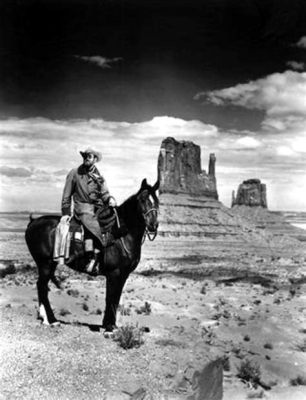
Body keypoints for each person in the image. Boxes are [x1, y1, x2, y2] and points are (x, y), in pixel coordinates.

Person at [61, 147, 116, 273]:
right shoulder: (75, 173)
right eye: (85, 156)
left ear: (95, 160)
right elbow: (66, 195)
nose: (86, 158)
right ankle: (92, 258)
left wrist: (110, 200)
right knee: (92, 224)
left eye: (89, 156)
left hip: (98, 208)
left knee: (113, 219)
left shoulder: (100, 177)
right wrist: (65, 213)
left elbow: (105, 194)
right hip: (83, 207)